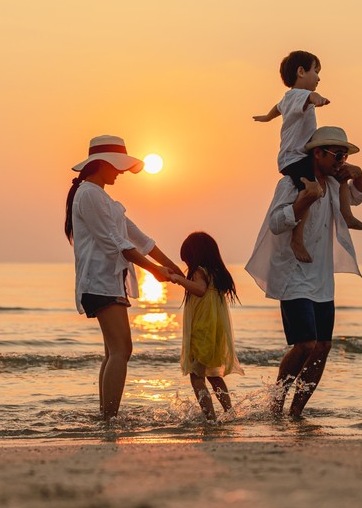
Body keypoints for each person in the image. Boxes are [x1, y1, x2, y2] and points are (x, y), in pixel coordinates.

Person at [245, 126, 362, 418]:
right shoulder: (292, 184)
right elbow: (276, 223)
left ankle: (296, 412)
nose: (341, 160)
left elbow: (357, 197)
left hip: (322, 279)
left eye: (345, 155)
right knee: (305, 344)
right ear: (318, 153)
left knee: (323, 346)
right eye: (337, 154)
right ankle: (276, 403)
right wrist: (304, 199)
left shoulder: (334, 184)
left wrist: (359, 174)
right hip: (293, 275)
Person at [65, 135, 183, 420]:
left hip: (110, 281)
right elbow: (115, 242)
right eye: (117, 166)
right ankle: (109, 418)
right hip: (99, 281)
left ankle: (106, 416)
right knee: (121, 350)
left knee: (113, 352)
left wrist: (173, 267)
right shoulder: (89, 194)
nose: (120, 172)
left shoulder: (104, 198)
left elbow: (138, 237)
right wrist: (154, 271)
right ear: (102, 164)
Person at [253, 50, 362, 263]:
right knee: (310, 191)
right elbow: (310, 97)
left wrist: (267, 117)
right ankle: (297, 239)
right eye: (315, 71)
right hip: (294, 158)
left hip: (300, 156)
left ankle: (347, 215)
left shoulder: (288, 100)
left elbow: (276, 109)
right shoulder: (298, 96)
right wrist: (319, 99)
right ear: (300, 72)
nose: (318, 77)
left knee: (342, 175)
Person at [168, 232, 244, 420]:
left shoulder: (199, 272)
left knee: (197, 376)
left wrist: (179, 280)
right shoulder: (217, 274)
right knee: (214, 376)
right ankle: (229, 412)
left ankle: (209, 417)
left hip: (202, 331)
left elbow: (200, 290)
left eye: (187, 260)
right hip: (216, 331)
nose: (187, 266)